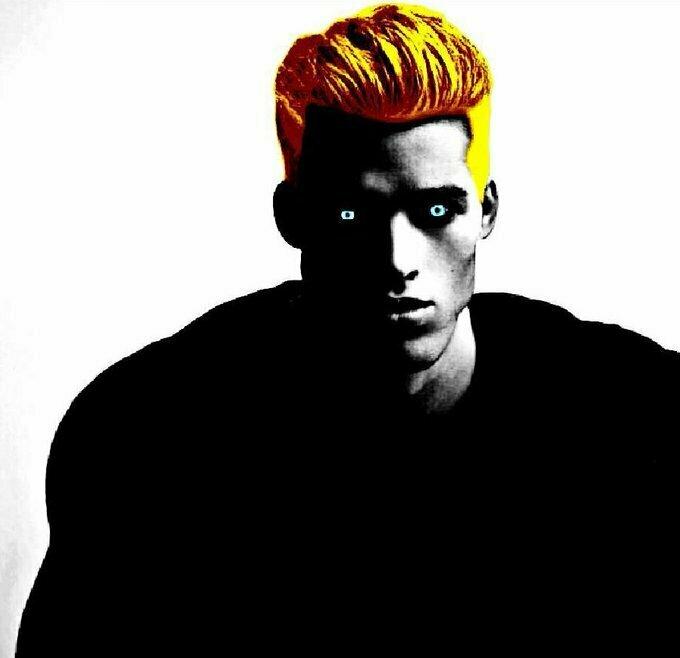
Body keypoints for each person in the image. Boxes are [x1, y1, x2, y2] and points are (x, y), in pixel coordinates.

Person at [16, 4, 677, 654]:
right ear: (293, 217)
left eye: (437, 210)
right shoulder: (147, 436)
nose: (397, 260)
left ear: (486, 211)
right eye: (351, 216)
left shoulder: (638, 416)